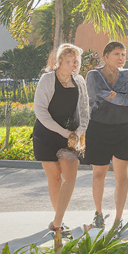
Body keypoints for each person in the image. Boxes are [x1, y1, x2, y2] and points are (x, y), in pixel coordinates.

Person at [33, 43, 89, 238]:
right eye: (70, 61)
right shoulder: (47, 79)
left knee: (70, 174)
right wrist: (66, 133)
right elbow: (40, 111)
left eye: (77, 61)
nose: (74, 65)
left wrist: (78, 133)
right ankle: (60, 224)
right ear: (59, 63)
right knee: (54, 177)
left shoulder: (80, 81)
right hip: (47, 135)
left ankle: (56, 221)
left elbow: (84, 112)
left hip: (70, 137)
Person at [86, 41, 128, 229]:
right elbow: (95, 94)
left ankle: (118, 218)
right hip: (98, 129)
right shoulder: (93, 75)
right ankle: (99, 214)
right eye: (117, 54)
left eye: (123, 54)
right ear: (105, 57)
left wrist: (113, 96)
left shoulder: (127, 74)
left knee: (122, 176)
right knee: (98, 174)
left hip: (122, 129)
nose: (121, 58)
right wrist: (121, 97)